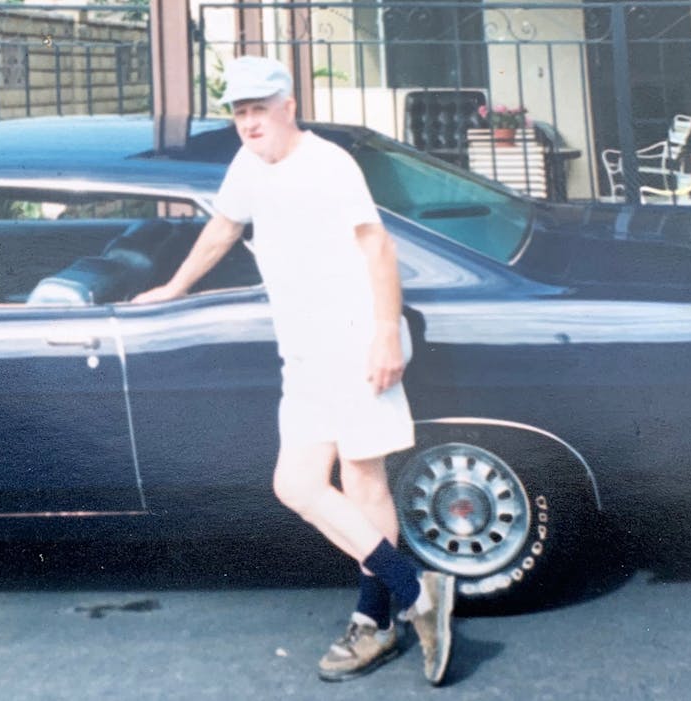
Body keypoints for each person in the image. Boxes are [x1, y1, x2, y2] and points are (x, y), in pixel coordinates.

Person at [132, 56, 455, 685]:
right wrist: (173, 287)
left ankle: (376, 623)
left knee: (364, 484)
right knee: (297, 484)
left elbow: (378, 247)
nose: (248, 123)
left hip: (359, 341)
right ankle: (416, 590)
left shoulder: (329, 164)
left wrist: (387, 333)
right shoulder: (247, 165)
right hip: (304, 354)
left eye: (258, 109)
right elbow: (223, 228)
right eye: (239, 112)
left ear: (289, 106)